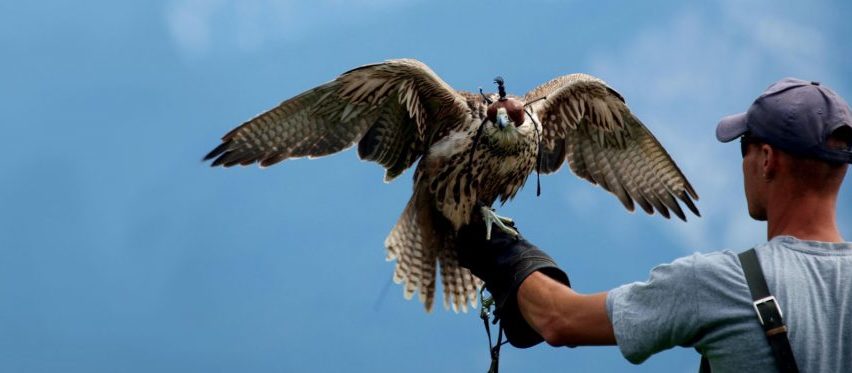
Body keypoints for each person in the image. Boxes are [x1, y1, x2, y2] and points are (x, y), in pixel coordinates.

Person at [456, 77, 852, 372]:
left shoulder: (718, 283)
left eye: (743, 144)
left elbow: (560, 319)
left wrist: (504, 254)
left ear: (767, 160)